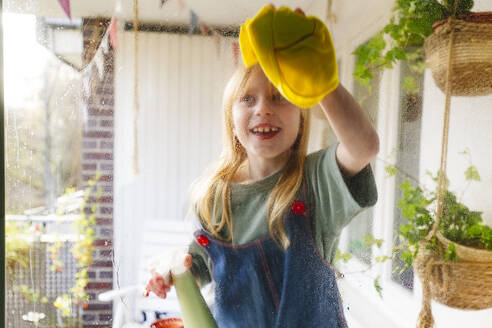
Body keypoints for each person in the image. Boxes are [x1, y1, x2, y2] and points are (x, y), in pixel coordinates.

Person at [145, 5, 379, 327]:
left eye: (279, 96)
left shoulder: (315, 182)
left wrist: (321, 84)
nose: (263, 109)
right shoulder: (214, 196)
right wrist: (173, 273)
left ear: (301, 116)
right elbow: (200, 265)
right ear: (231, 116)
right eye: (247, 98)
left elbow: (364, 147)